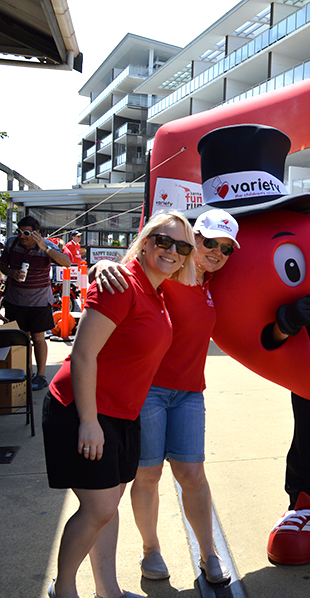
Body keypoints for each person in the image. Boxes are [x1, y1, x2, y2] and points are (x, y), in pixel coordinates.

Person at [42, 211, 195, 598]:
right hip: (84, 409)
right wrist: (88, 421)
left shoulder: (156, 291)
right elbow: (82, 354)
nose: (172, 251)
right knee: (99, 508)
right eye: (163, 240)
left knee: (107, 507)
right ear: (145, 242)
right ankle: (63, 589)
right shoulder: (122, 283)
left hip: (123, 414)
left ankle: (107, 590)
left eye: (182, 246)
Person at [92, 208, 240, 584]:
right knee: (148, 475)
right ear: (193, 241)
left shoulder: (214, 284)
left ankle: (208, 553)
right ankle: (151, 549)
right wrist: (102, 266)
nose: (217, 252)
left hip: (190, 393)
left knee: (192, 474)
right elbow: (130, 276)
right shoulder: (167, 274)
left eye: (226, 248)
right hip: (149, 391)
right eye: (210, 242)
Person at [0, 215, 72, 391]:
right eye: (19, 232)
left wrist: (45, 248)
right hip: (15, 301)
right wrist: (11, 273)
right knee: (19, 339)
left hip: (39, 301)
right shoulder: (12, 243)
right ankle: (25, 373)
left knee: (38, 338)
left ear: (36, 233)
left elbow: (67, 262)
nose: (21, 236)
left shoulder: (46, 246)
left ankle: (40, 375)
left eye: (26, 233)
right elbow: (2, 265)